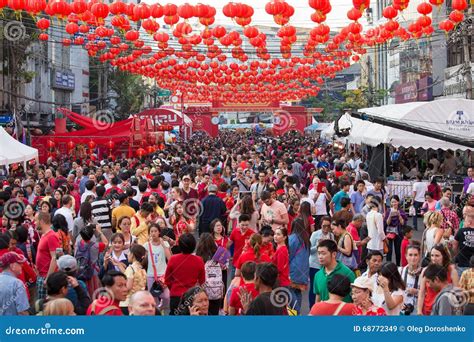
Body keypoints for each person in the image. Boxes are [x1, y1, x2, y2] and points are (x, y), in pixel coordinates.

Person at [165, 233, 205, 315]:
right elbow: (202, 281)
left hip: (175, 295)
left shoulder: (173, 259)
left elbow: (167, 280)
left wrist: (173, 288)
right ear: (194, 246)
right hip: (191, 297)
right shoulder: (199, 260)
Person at [418, 244, 460, 315]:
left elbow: (457, 293)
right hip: (427, 310)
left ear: (444, 256)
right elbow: (421, 293)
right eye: (432, 255)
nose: (434, 258)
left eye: (437, 256)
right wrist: (419, 311)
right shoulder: (426, 271)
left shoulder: (452, 271)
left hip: (444, 309)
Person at [144, 223, 171, 313]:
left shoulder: (165, 244)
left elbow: (170, 258)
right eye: (151, 231)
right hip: (151, 274)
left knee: (166, 296)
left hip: (163, 275)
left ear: (159, 232)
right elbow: (144, 259)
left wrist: (163, 245)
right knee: (153, 297)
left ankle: (162, 306)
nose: (153, 233)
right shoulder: (147, 245)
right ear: (149, 233)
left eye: (155, 231)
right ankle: (157, 313)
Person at [196, 233, 224, 315]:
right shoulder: (219, 255)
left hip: (203, 291)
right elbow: (225, 267)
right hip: (217, 291)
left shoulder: (198, 257)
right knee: (214, 312)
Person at [309, 216, 334, 308]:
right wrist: (318, 245)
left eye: (328, 226)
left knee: (325, 287)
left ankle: (323, 308)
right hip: (315, 264)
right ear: (320, 225)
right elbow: (310, 250)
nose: (326, 228)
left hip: (326, 265)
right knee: (314, 289)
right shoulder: (315, 234)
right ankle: (312, 308)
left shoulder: (331, 235)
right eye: (324, 226)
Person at [35, 211, 61, 300]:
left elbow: (55, 257)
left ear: (41, 221)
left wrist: (48, 278)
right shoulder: (44, 235)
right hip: (42, 275)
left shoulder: (51, 236)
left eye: (36, 221)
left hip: (47, 277)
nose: (34, 223)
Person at [288, 218, 310, 314]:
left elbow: (289, 255)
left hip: (293, 270)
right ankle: (297, 311)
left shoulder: (292, 238)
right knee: (298, 292)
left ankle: (295, 313)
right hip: (304, 270)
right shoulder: (306, 239)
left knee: (290, 291)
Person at [120, 244, 147, 315]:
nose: (128, 254)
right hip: (139, 302)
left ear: (132, 255)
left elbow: (128, 287)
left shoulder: (131, 268)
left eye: (129, 252)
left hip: (127, 303)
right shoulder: (142, 270)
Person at [227, 214, 254, 278]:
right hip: (236, 261)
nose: (244, 227)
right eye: (242, 225)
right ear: (239, 224)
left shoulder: (252, 234)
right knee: (234, 282)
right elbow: (228, 244)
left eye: (246, 225)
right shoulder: (235, 231)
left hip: (247, 263)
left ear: (249, 224)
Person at [399, 244, 422, 316]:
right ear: (406, 256)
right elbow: (394, 290)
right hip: (402, 310)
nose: (413, 258)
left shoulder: (424, 273)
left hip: (417, 311)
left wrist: (417, 292)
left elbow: (429, 294)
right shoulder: (400, 271)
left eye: (415, 255)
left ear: (419, 256)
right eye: (410, 255)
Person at [384, 195, 407, 266]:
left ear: (398, 202)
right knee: (389, 251)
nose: (394, 204)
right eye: (392, 202)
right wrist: (390, 216)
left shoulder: (401, 211)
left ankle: (398, 265)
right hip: (389, 233)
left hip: (398, 233)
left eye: (395, 202)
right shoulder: (388, 211)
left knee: (398, 251)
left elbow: (403, 223)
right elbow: (387, 223)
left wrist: (399, 215)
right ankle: (388, 266)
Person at [453, 206, 474, 276]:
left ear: (469, 222)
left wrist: (455, 257)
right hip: (472, 264)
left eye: (465, 221)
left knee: (461, 285)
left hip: (462, 264)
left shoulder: (461, 231)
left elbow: (454, 246)